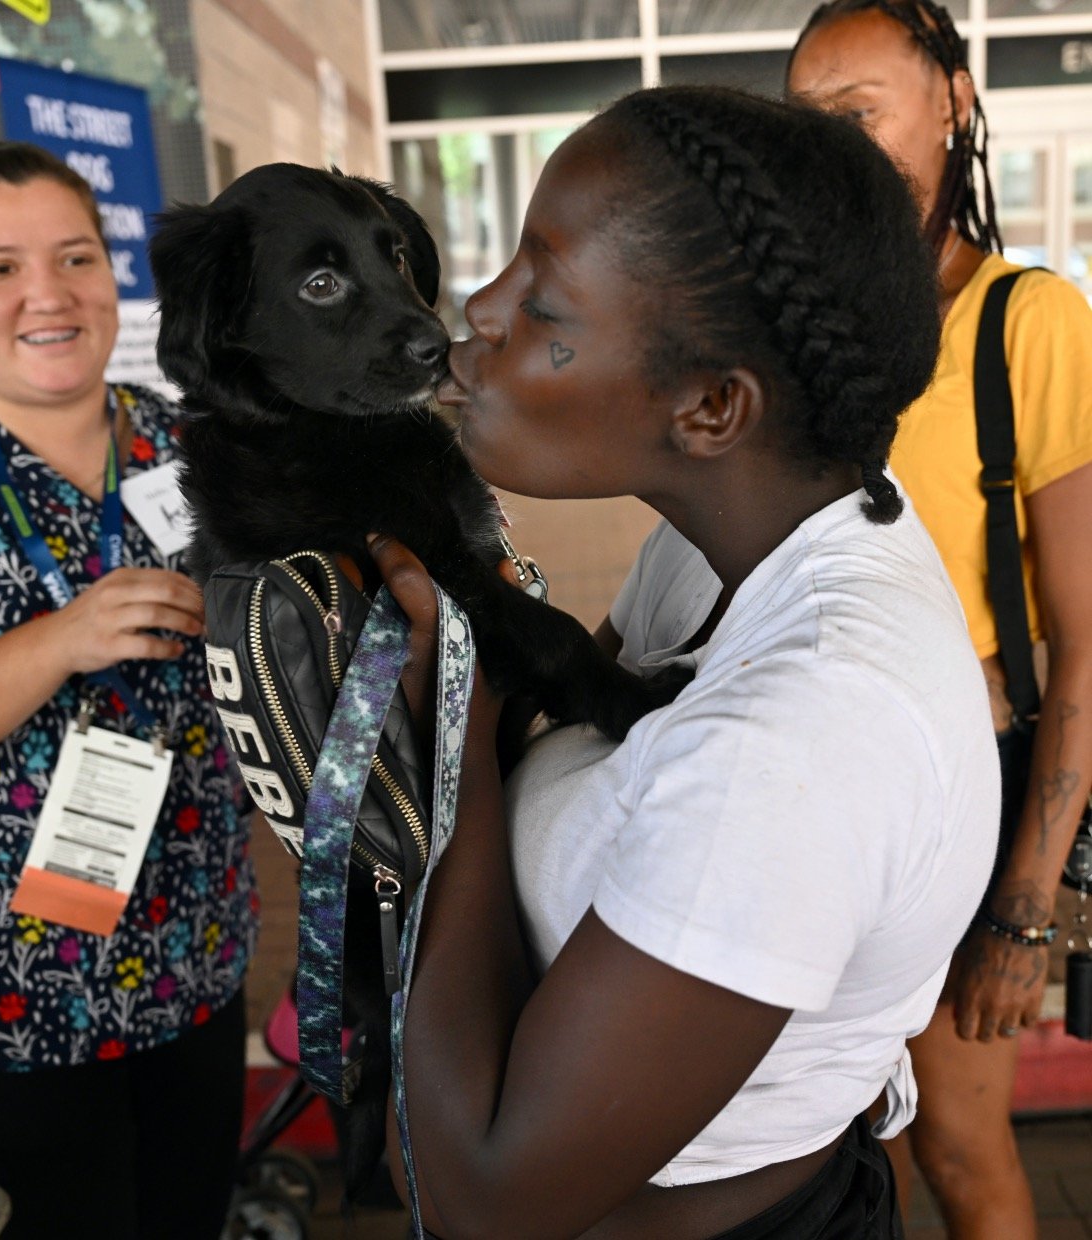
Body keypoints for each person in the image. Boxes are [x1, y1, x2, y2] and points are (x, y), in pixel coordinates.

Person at [361, 82, 999, 1239]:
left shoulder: (799, 740)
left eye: (542, 298)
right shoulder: (742, 539)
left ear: (710, 407)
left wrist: (442, 737)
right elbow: (580, 732)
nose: (481, 309)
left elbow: (477, 1198)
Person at [0, 142, 258, 1240]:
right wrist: (59, 640)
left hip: (195, 949)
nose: (48, 294)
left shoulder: (195, 444)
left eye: (75, 257)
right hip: (4, 978)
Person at [787, 5, 1092, 1236]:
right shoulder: (802, 331)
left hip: (969, 815)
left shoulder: (1031, 323)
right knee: (853, 1145)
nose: (841, 147)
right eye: (814, 123)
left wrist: (1027, 905)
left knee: (956, 1145)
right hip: (819, 800)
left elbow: (1085, 637)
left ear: (953, 102)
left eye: (864, 110)